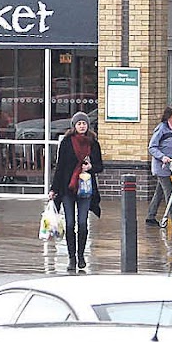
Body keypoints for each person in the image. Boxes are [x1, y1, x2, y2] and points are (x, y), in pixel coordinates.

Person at [48, 111, 103, 272]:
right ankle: (71, 257)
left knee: (83, 224)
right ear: (74, 126)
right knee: (70, 223)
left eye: (84, 123)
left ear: (87, 125)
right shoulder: (66, 142)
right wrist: (54, 189)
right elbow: (60, 167)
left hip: (86, 190)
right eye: (79, 123)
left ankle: (81, 256)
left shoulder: (93, 143)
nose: (81, 126)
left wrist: (90, 167)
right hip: (68, 189)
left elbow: (100, 166)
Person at [146, 106, 172, 227]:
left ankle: (150, 216)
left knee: (159, 193)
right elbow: (152, 147)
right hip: (162, 167)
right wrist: (162, 157)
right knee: (169, 191)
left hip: (171, 166)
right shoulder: (161, 129)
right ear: (169, 115)